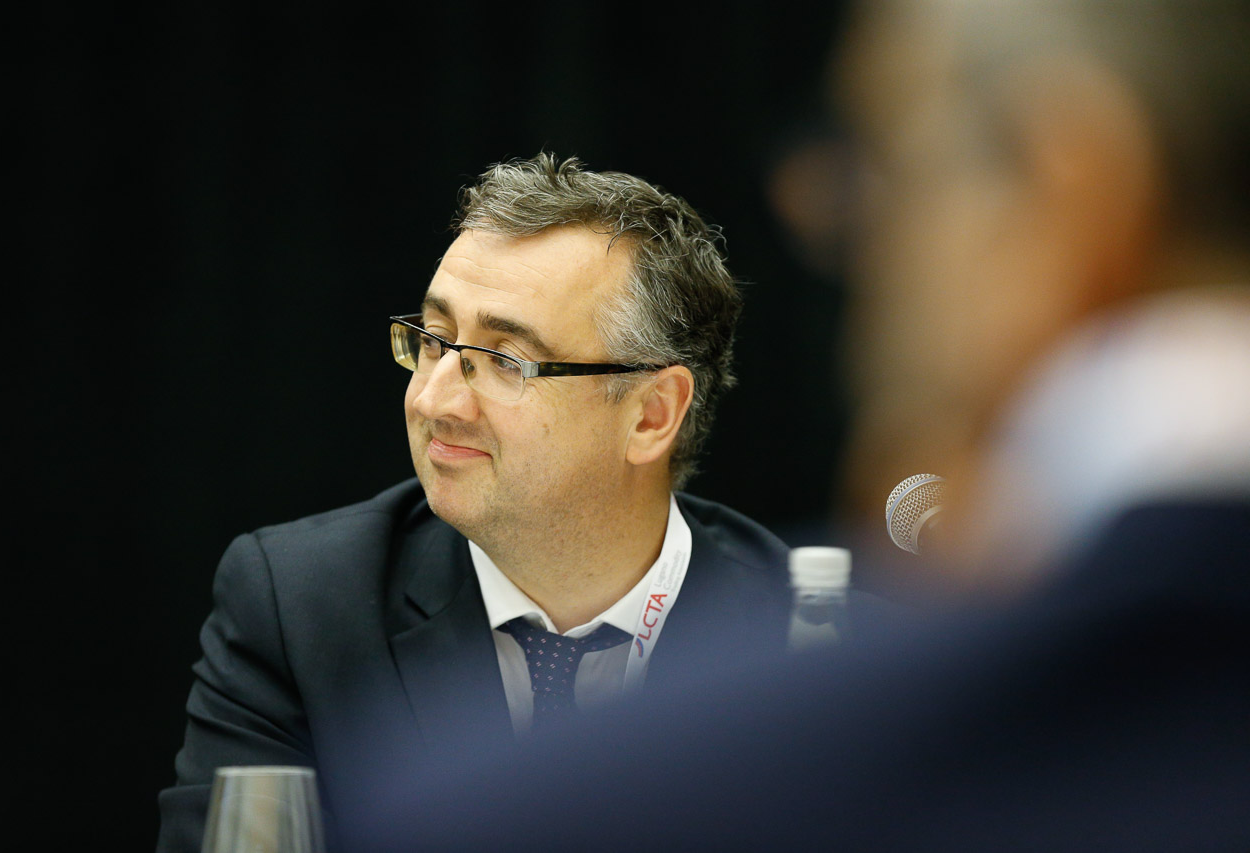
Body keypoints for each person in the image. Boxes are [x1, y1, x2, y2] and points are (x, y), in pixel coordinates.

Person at [374, 2, 1250, 850]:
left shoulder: (570, 809)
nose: (439, 399)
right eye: (433, 343)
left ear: (1061, 185)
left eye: (881, 175)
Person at [156, 154, 816, 852]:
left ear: (652, 414)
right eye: (434, 340)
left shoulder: (812, 646)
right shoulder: (300, 607)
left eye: (505, 360)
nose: (434, 399)